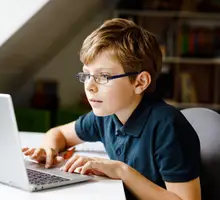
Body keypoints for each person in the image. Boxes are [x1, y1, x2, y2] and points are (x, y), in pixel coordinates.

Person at [22, 18, 201, 200]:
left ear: (140, 82)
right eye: (87, 74)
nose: (89, 86)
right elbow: (58, 133)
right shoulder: (107, 115)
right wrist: (48, 150)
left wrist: (121, 170)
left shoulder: (167, 126)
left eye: (103, 76)